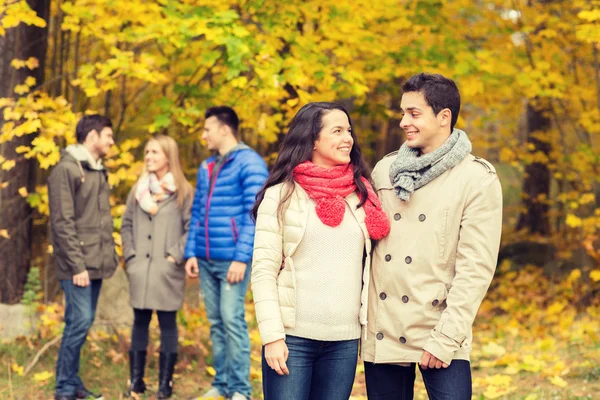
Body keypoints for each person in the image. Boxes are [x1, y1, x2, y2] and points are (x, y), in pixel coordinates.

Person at [362, 73, 503, 400]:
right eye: (402, 113)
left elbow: (475, 269)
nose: (403, 122)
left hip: (439, 326)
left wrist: (447, 337)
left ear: (444, 117)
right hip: (386, 323)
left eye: (413, 113)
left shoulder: (476, 179)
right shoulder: (386, 170)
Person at [251, 102, 391, 400]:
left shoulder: (362, 194)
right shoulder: (282, 195)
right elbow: (263, 271)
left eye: (349, 131)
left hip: (344, 341)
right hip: (293, 338)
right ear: (312, 139)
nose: (348, 139)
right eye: (337, 131)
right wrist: (273, 336)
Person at [184, 106, 268, 400]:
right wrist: (191, 252)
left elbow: (255, 214)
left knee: (232, 321)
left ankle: (240, 390)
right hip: (206, 259)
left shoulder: (250, 163)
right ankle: (221, 385)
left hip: (232, 260)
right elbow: (198, 212)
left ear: (224, 129)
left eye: (207, 129)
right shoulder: (207, 166)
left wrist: (241, 258)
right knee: (217, 323)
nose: (203, 134)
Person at [48, 114, 118, 400]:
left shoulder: (98, 170)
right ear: (92, 136)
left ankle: (72, 382)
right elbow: (62, 222)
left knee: (81, 322)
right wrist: (77, 266)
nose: (112, 142)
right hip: (77, 266)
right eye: (108, 137)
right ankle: (64, 388)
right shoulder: (66, 169)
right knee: (79, 322)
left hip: (96, 263)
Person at [120, 134, 193, 399]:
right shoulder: (137, 190)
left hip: (167, 271)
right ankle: (136, 382)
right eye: (147, 152)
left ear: (168, 156)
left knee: (167, 324)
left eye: (155, 152)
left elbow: (190, 229)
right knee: (139, 322)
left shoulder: (183, 192)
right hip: (141, 269)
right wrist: (131, 257)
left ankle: (165, 385)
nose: (149, 157)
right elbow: (126, 224)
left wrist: (175, 256)